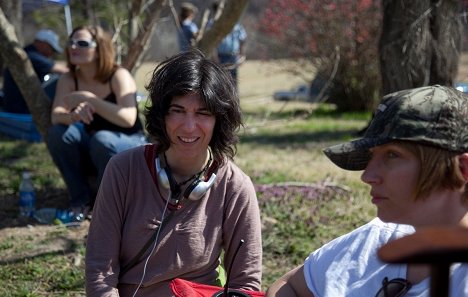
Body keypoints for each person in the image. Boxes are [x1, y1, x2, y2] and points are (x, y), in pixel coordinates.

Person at [85, 49, 263, 296]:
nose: (189, 126)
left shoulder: (235, 186)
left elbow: (245, 285)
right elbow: (100, 273)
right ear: (161, 114)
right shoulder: (122, 170)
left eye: (203, 113)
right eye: (177, 110)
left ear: (219, 120)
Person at [266, 85, 468, 297]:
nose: (367, 176)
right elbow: (288, 286)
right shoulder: (376, 237)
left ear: (462, 169)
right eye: (372, 156)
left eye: (392, 155)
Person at [47, 25, 147, 217]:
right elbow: (56, 115)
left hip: (129, 142)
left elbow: (128, 118)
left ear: (100, 47)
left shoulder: (118, 75)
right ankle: (80, 200)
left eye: (82, 43)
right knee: (58, 133)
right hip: (95, 144)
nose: (73, 47)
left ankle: (106, 207)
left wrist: (90, 100)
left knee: (102, 139)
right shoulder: (69, 79)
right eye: (71, 42)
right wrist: (73, 116)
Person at [2, 29, 68, 113]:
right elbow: (62, 71)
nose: (51, 53)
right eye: (52, 49)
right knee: (60, 79)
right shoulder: (31, 56)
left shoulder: (27, 53)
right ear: (43, 43)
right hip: (21, 107)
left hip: (15, 105)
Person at [211, 1, 247, 89]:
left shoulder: (235, 24)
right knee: (221, 85)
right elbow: (211, 43)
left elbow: (242, 39)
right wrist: (214, 57)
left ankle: (234, 102)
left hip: (233, 56)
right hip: (220, 57)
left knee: (233, 85)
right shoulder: (213, 24)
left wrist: (242, 56)